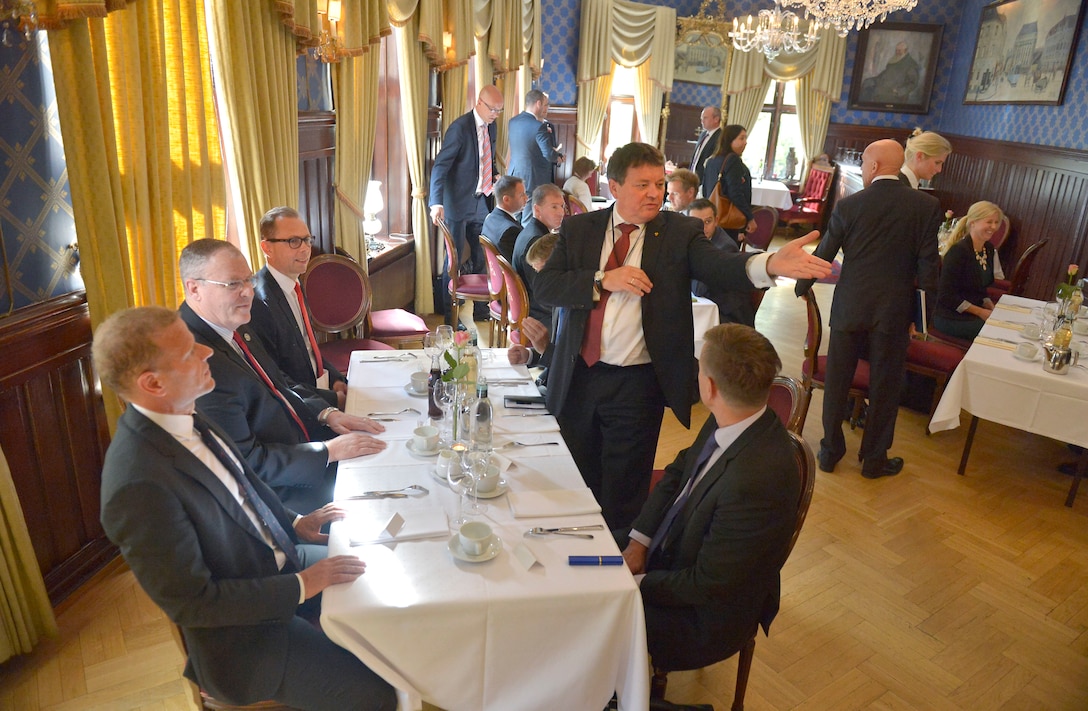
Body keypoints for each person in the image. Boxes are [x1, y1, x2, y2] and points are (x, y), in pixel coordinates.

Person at [94, 306, 396, 711]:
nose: (206, 351)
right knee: (376, 695)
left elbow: (242, 489)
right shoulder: (138, 485)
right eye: (188, 351)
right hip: (246, 638)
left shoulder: (184, 413)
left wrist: (296, 521)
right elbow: (194, 602)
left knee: (387, 582)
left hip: (277, 562)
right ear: (153, 384)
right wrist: (305, 583)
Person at [535, 141, 830, 529]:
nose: (655, 193)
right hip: (577, 377)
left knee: (624, 494)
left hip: (636, 384)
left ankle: (620, 571)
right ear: (614, 186)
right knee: (574, 477)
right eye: (642, 184)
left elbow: (721, 266)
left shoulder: (679, 232)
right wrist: (602, 279)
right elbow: (546, 288)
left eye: (660, 183)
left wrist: (770, 262)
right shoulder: (580, 229)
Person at [619, 323, 799, 676]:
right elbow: (677, 472)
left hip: (702, 616)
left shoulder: (758, 480)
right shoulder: (734, 414)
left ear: (710, 387)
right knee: (576, 554)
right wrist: (638, 542)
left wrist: (632, 583)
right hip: (670, 553)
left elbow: (708, 584)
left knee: (586, 616)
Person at [179, 239, 387, 512]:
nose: (247, 292)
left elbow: (279, 383)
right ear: (194, 288)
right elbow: (247, 463)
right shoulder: (194, 359)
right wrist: (329, 452)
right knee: (384, 497)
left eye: (248, 280)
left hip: (305, 450)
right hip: (281, 496)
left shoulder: (230, 321)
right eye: (233, 284)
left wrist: (327, 413)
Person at [795, 139, 941, 480]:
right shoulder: (926, 206)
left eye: (863, 164)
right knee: (885, 388)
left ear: (874, 167)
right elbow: (928, 271)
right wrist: (921, 321)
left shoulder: (850, 206)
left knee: (837, 383)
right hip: (893, 313)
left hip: (850, 309)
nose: (861, 170)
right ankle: (874, 459)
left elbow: (824, 254)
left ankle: (830, 453)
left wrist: (802, 288)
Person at [249, 206, 346, 409]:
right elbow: (274, 378)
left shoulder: (295, 284)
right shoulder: (258, 302)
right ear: (267, 248)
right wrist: (330, 401)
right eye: (293, 241)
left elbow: (308, 348)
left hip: (321, 389)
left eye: (307, 239)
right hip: (302, 408)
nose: (305, 249)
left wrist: (336, 379)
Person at [429, 85, 503, 316]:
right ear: (479, 102)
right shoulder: (459, 128)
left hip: (481, 201)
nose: (495, 114)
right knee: (455, 259)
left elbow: (485, 158)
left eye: (499, 111)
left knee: (483, 254)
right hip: (456, 204)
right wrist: (436, 203)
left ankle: (482, 309)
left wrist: (495, 175)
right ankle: (448, 314)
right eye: (493, 109)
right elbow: (441, 166)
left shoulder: (493, 127)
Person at [934, 201, 1002, 340]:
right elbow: (946, 296)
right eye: (989, 222)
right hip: (951, 317)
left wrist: (987, 303)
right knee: (998, 334)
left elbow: (980, 286)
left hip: (973, 312)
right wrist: (980, 312)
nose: (994, 227)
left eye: (996, 222)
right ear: (973, 223)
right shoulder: (958, 251)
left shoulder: (988, 249)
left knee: (1004, 327)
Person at [687, 198, 755, 327]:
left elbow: (698, 289)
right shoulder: (693, 240)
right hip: (708, 307)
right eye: (696, 222)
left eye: (708, 221)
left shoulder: (724, 247)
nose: (702, 228)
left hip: (728, 317)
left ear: (716, 221)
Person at [512, 183, 566, 331]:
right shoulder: (535, 240)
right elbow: (541, 293)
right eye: (554, 207)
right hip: (535, 312)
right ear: (537, 209)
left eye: (562, 206)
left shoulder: (533, 230)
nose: (561, 212)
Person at [507, 89, 563, 224]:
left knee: (514, 217)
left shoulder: (512, 122)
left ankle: (515, 244)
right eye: (546, 104)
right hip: (533, 178)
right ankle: (526, 245)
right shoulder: (539, 126)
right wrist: (558, 157)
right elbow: (548, 154)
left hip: (514, 175)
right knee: (527, 221)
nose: (547, 107)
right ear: (538, 103)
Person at [701, 124, 757, 242]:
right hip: (728, 218)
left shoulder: (712, 160)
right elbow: (735, 192)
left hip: (713, 216)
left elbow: (705, 189)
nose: (745, 142)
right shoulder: (733, 160)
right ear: (730, 140)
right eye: (741, 138)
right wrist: (749, 217)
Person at [482, 175, 528, 261]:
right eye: (522, 195)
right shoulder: (510, 231)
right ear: (506, 199)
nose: (526, 198)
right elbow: (519, 265)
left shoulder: (489, 218)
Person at [689, 105, 722, 185]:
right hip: (693, 178)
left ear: (716, 119)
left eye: (705, 118)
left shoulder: (721, 137)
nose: (702, 121)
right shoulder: (703, 134)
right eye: (701, 118)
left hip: (705, 181)